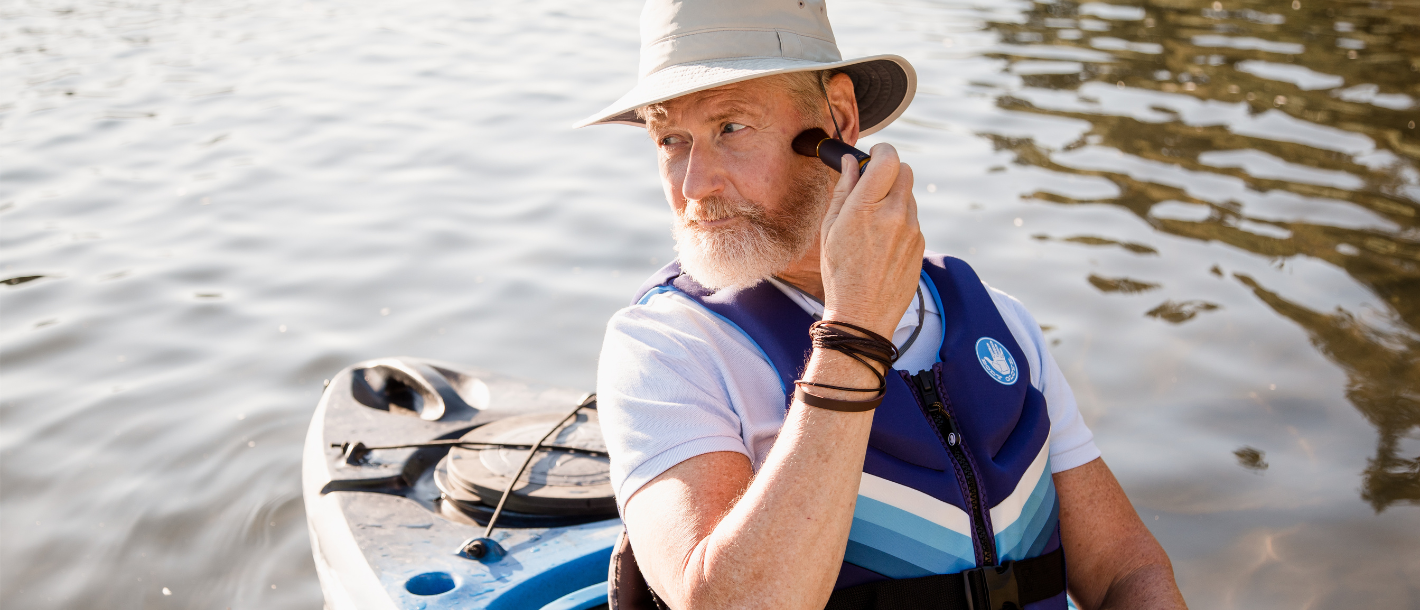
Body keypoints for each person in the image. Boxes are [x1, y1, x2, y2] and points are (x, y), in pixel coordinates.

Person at [577, 1, 1187, 608]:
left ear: (837, 121)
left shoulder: (1001, 321)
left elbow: (1125, 571)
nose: (693, 185)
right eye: (671, 140)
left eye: (730, 128)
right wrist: (855, 332)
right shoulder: (665, 347)